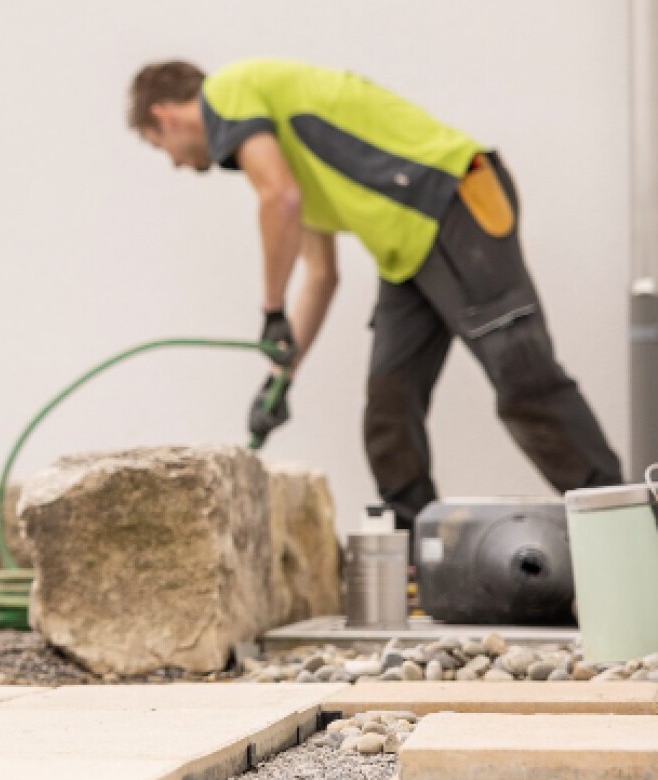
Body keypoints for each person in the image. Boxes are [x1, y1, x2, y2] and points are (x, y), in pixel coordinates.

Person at [126, 57, 622, 528]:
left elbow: (278, 198)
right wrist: (282, 377)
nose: (172, 162)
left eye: (157, 146)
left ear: (163, 116)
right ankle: (417, 554)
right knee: (389, 406)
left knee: (523, 378)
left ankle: (621, 531)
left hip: (450, 201)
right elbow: (321, 275)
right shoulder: (284, 146)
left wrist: (271, 308)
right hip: (405, 251)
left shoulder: (229, 89)